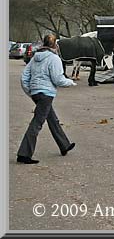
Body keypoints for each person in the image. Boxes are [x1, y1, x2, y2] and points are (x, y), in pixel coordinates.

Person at [17, 34, 76, 164]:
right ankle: (24, 154)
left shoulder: (34, 58)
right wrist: (70, 82)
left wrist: (30, 92)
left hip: (37, 93)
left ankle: (64, 145)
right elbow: (58, 79)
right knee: (37, 123)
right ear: (55, 45)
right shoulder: (54, 58)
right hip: (46, 94)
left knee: (53, 119)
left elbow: (24, 77)